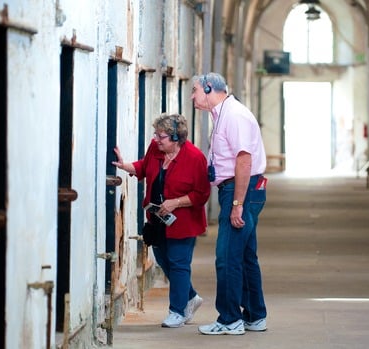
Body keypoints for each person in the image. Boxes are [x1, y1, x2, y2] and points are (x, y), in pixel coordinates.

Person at [112, 113, 211, 328]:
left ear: (176, 137)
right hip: (156, 219)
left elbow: (202, 194)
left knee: (178, 264)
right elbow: (144, 167)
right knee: (164, 261)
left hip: (183, 221)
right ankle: (191, 297)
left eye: (162, 136)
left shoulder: (195, 158)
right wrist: (125, 165)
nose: (157, 140)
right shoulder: (156, 150)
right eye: (156, 135)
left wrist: (175, 202)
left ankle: (177, 311)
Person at [191, 72, 268, 335]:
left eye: (195, 91)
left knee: (226, 258)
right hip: (238, 189)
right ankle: (255, 315)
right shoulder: (222, 114)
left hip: (240, 189)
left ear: (210, 88)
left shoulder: (234, 115)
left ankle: (229, 319)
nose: (192, 96)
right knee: (245, 257)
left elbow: (244, 160)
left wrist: (237, 203)